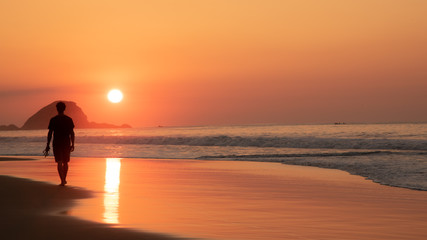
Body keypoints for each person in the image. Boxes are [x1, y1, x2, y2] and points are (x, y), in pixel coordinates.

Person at [44, 102, 75, 186]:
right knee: (65, 162)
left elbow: (50, 133)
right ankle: (64, 179)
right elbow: (72, 133)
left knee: (59, 162)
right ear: (64, 109)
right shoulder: (69, 119)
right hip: (66, 143)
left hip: (57, 143)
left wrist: (47, 145)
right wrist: (73, 144)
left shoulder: (53, 120)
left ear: (57, 109)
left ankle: (62, 180)